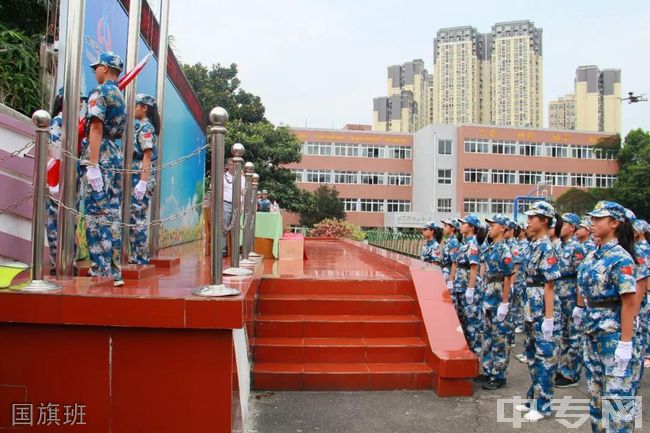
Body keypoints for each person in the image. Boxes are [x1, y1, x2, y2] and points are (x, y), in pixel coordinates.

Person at [576, 201, 638, 432]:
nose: (592, 223)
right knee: (596, 396)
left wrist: (625, 342)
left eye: (598, 219)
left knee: (618, 400)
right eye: (592, 219)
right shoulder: (593, 255)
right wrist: (580, 309)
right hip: (592, 330)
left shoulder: (620, 258)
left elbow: (629, 302)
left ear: (614, 223)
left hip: (612, 334)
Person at [80, 51, 126, 286]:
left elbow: (95, 129)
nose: (94, 70)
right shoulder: (119, 95)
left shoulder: (99, 93)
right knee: (112, 214)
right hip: (114, 154)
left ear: (105, 68)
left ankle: (102, 269)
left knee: (96, 215)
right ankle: (115, 270)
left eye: (96, 67)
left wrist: (92, 164)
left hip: (101, 155)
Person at [514, 201, 562, 422]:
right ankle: (533, 398)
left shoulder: (547, 247)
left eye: (533, 217)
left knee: (546, 358)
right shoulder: (533, 244)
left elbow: (550, 284)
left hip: (542, 307)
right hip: (530, 306)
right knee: (532, 355)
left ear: (544, 221)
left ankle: (544, 405)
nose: (528, 220)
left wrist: (549, 317)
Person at [46, 87, 87, 274]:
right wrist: (54, 183)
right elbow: (56, 152)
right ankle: (58, 261)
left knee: (71, 218)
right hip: (60, 179)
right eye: (78, 99)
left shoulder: (75, 123)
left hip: (74, 179)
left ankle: (69, 259)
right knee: (56, 219)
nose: (81, 103)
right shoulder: (58, 122)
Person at [478, 214, 515, 390]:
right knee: (488, 336)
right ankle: (488, 370)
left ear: (502, 228)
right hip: (489, 294)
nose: (490, 228)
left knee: (500, 337)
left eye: (493, 225)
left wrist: (505, 302)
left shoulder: (504, 250)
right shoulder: (492, 248)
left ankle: (499, 374)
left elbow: (508, 277)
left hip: (500, 293)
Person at [554, 213, 586, 388]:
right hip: (560, 296)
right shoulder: (560, 246)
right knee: (563, 335)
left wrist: (580, 305)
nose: (560, 227)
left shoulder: (576, 248)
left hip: (571, 297)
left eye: (564, 224)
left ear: (572, 227)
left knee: (574, 336)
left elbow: (581, 277)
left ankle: (571, 373)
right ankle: (562, 367)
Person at [128, 94, 159, 264]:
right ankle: (136, 255)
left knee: (137, 217)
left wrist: (143, 181)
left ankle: (140, 258)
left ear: (144, 107)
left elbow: (147, 155)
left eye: (136, 105)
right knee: (134, 217)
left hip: (141, 173)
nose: (133, 109)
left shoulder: (146, 127)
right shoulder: (140, 126)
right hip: (136, 173)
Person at [448, 214, 484, 356]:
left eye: (464, 223)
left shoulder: (473, 244)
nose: (461, 225)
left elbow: (474, 267)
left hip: (468, 287)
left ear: (471, 227)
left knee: (472, 322)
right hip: (459, 286)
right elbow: (455, 264)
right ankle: (465, 350)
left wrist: (470, 288)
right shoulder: (463, 244)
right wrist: (451, 281)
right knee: (462, 320)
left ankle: (474, 353)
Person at [223, 158, 246, 256]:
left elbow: (243, 193)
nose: (233, 167)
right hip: (226, 204)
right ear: (228, 166)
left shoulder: (242, 178)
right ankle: (222, 250)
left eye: (235, 165)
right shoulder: (223, 176)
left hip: (237, 205)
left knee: (236, 229)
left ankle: (235, 250)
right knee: (224, 227)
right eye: (231, 165)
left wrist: (242, 205)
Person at [440, 218, 461, 282]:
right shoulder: (449, 241)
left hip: (448, 274)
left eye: (446, 226)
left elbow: (454, 263)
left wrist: (451, 280)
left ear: (453, 228)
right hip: (444, 272)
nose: (444, 228)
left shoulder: (454, 242)